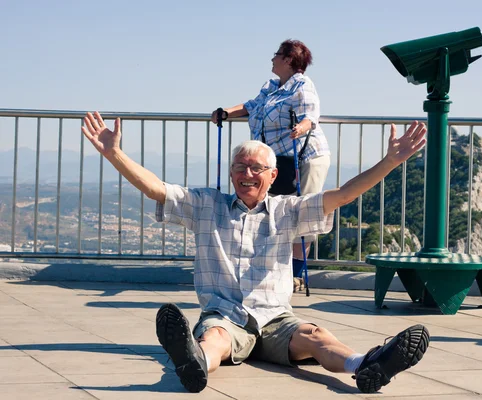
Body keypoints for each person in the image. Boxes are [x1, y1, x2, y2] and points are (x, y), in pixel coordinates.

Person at [81, 111, 429, 394]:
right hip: (226, 317)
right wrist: (114, 153)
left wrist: (390, 161)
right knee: (214, 338)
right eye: (240, 168)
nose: (247, 175)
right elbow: (157, 189)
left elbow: (343, 195)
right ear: (231, 173)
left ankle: (368, 365)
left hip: (276, 319)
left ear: (273, 175)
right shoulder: (206, 205)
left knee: (315, 336)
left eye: (256, 168)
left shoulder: (288, 210)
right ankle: (194, 362)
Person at [211, 39, 329, 286]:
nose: (272, 58)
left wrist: (302, 127)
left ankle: (295, 277)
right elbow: (251, 106)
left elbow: (311, 115)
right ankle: (275, 271)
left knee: (302, 214)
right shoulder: (272, 86)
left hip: (304, 158)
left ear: (288, 59)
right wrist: (225, 112)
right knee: (273, 213)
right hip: (277, 163)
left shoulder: (302, 85)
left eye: (277, 55)